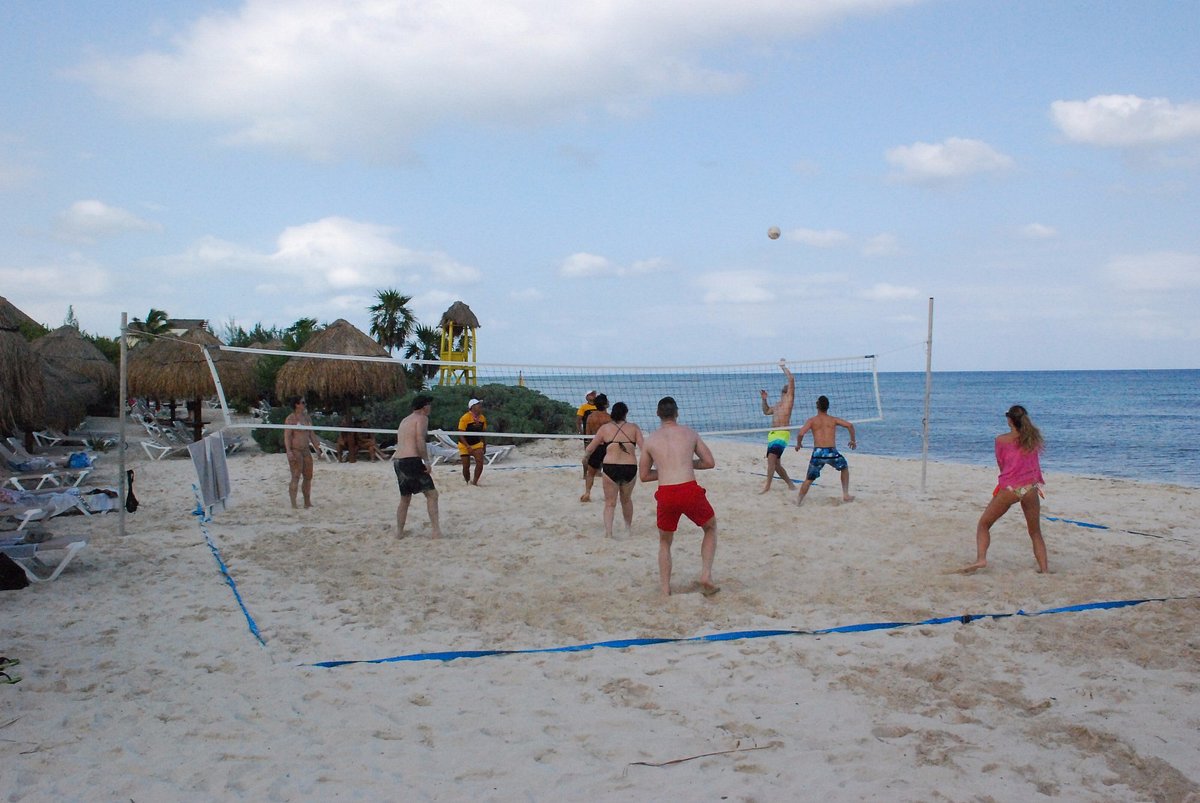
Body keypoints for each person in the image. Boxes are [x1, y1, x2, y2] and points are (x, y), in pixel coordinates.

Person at [638, 396, 719, 597]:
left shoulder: (650, 441)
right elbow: (709, 462)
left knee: (665, 542)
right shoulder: (689, 433)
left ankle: (665, 589)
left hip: (666, 492)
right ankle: (706, 575)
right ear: (677, 413)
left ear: (658, 414)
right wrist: (686, 464)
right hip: (689, 489)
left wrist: (666, 470)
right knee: (710, 527)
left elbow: (644, 476)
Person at [959, 405, 1049, 574]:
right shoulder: (1032, 438)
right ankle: (1044, 569)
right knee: (1035, 532)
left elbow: (1002, 465)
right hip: (1030, 487)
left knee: (984, 524)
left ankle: (981, 559)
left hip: (1010, 488)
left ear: (1009, 420)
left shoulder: (1001, 440)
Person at [583, 401, 643, 538]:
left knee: (610, 503)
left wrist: (585, 458)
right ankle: (628, 529)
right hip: (630, 467)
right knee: (626, 500)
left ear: (612, 414)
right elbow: (644, 448)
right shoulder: (634, 428)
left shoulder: (605, 429)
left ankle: (609, 533)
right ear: (625, 414)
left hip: (610, 467)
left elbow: (590, 448)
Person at [392, 395, 441, 539]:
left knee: (405, 498)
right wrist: (426, 460)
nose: (430, 407)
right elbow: (420, 439)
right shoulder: (422, 419)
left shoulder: (405, 420)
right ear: (424, 406)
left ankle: (399, 532)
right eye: (429, 405)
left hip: (398, 461)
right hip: (411, 460)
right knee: (432, 494)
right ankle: (436, 531)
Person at [794, 395, 857, 505]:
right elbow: (850, 425)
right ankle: (845, 494)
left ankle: (798, 501)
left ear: (817, 406)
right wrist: (852, 440)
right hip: (831, 452)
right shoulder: (833, 420)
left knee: (809, 479)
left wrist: (799, 444)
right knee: (844, 468)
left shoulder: (812, 420)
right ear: (828, 407)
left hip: (818, 453)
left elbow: (800, 433)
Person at [759, 359, 796, 493]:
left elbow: (791, 379)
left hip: (782, 434)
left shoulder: (789, 402)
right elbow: (766, 411)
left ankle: (767, 487)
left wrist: (783, 367)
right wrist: (764, 399)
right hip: (772, 435)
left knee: (771, 461)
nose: (788, 387)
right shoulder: (777, 405)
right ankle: (791, 484)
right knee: (776, 465)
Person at [283, 397, 321, 509]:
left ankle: (307, 502)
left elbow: (311, 434)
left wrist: (317, 448)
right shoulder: (290, 419)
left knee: (308, 476)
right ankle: (294, 504)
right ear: (297, 405)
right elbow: (287, 436)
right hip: (296, 451)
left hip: (306, 450)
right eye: (303, 402)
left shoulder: (307, 418)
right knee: (295, 476)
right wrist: (288, 451)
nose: (305, 404)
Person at [580, 394, 613, 502]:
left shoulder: (590, 417)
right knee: (608, 473)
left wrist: (588, 450)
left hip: (595, 446)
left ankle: (587, 493)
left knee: (590, 473)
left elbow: (588, 435)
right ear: (605, 404)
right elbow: (613, 435)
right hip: (607, 447)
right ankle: (608, 495)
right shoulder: (609, 418)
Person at [457, 398, 488, 485]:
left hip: (476, 443)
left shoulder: (482, 418)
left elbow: (483, 433)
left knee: (480, 462)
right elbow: (460, 434)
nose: (480, 406)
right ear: (472, 407)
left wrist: (484, 445)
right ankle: (467, 481)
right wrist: (467, 446)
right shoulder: (465, 418)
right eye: (478, 405)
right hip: (464, 444)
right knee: (466, 466)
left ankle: (474, 482)